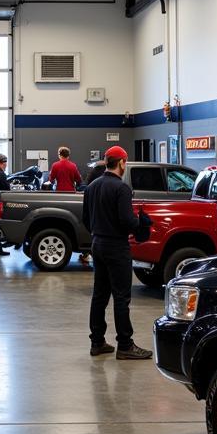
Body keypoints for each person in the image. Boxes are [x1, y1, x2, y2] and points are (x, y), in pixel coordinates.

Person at [82, 145, 153, 360]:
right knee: (122, 297)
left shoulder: (92, 186)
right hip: (116, 247)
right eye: (125, 163)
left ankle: (97, 342)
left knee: (100, 295)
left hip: (98, 244)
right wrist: (141, 223)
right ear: (122, 162)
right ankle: (125, 345)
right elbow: (127, 220)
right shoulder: (121, 188)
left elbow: (86, 218)